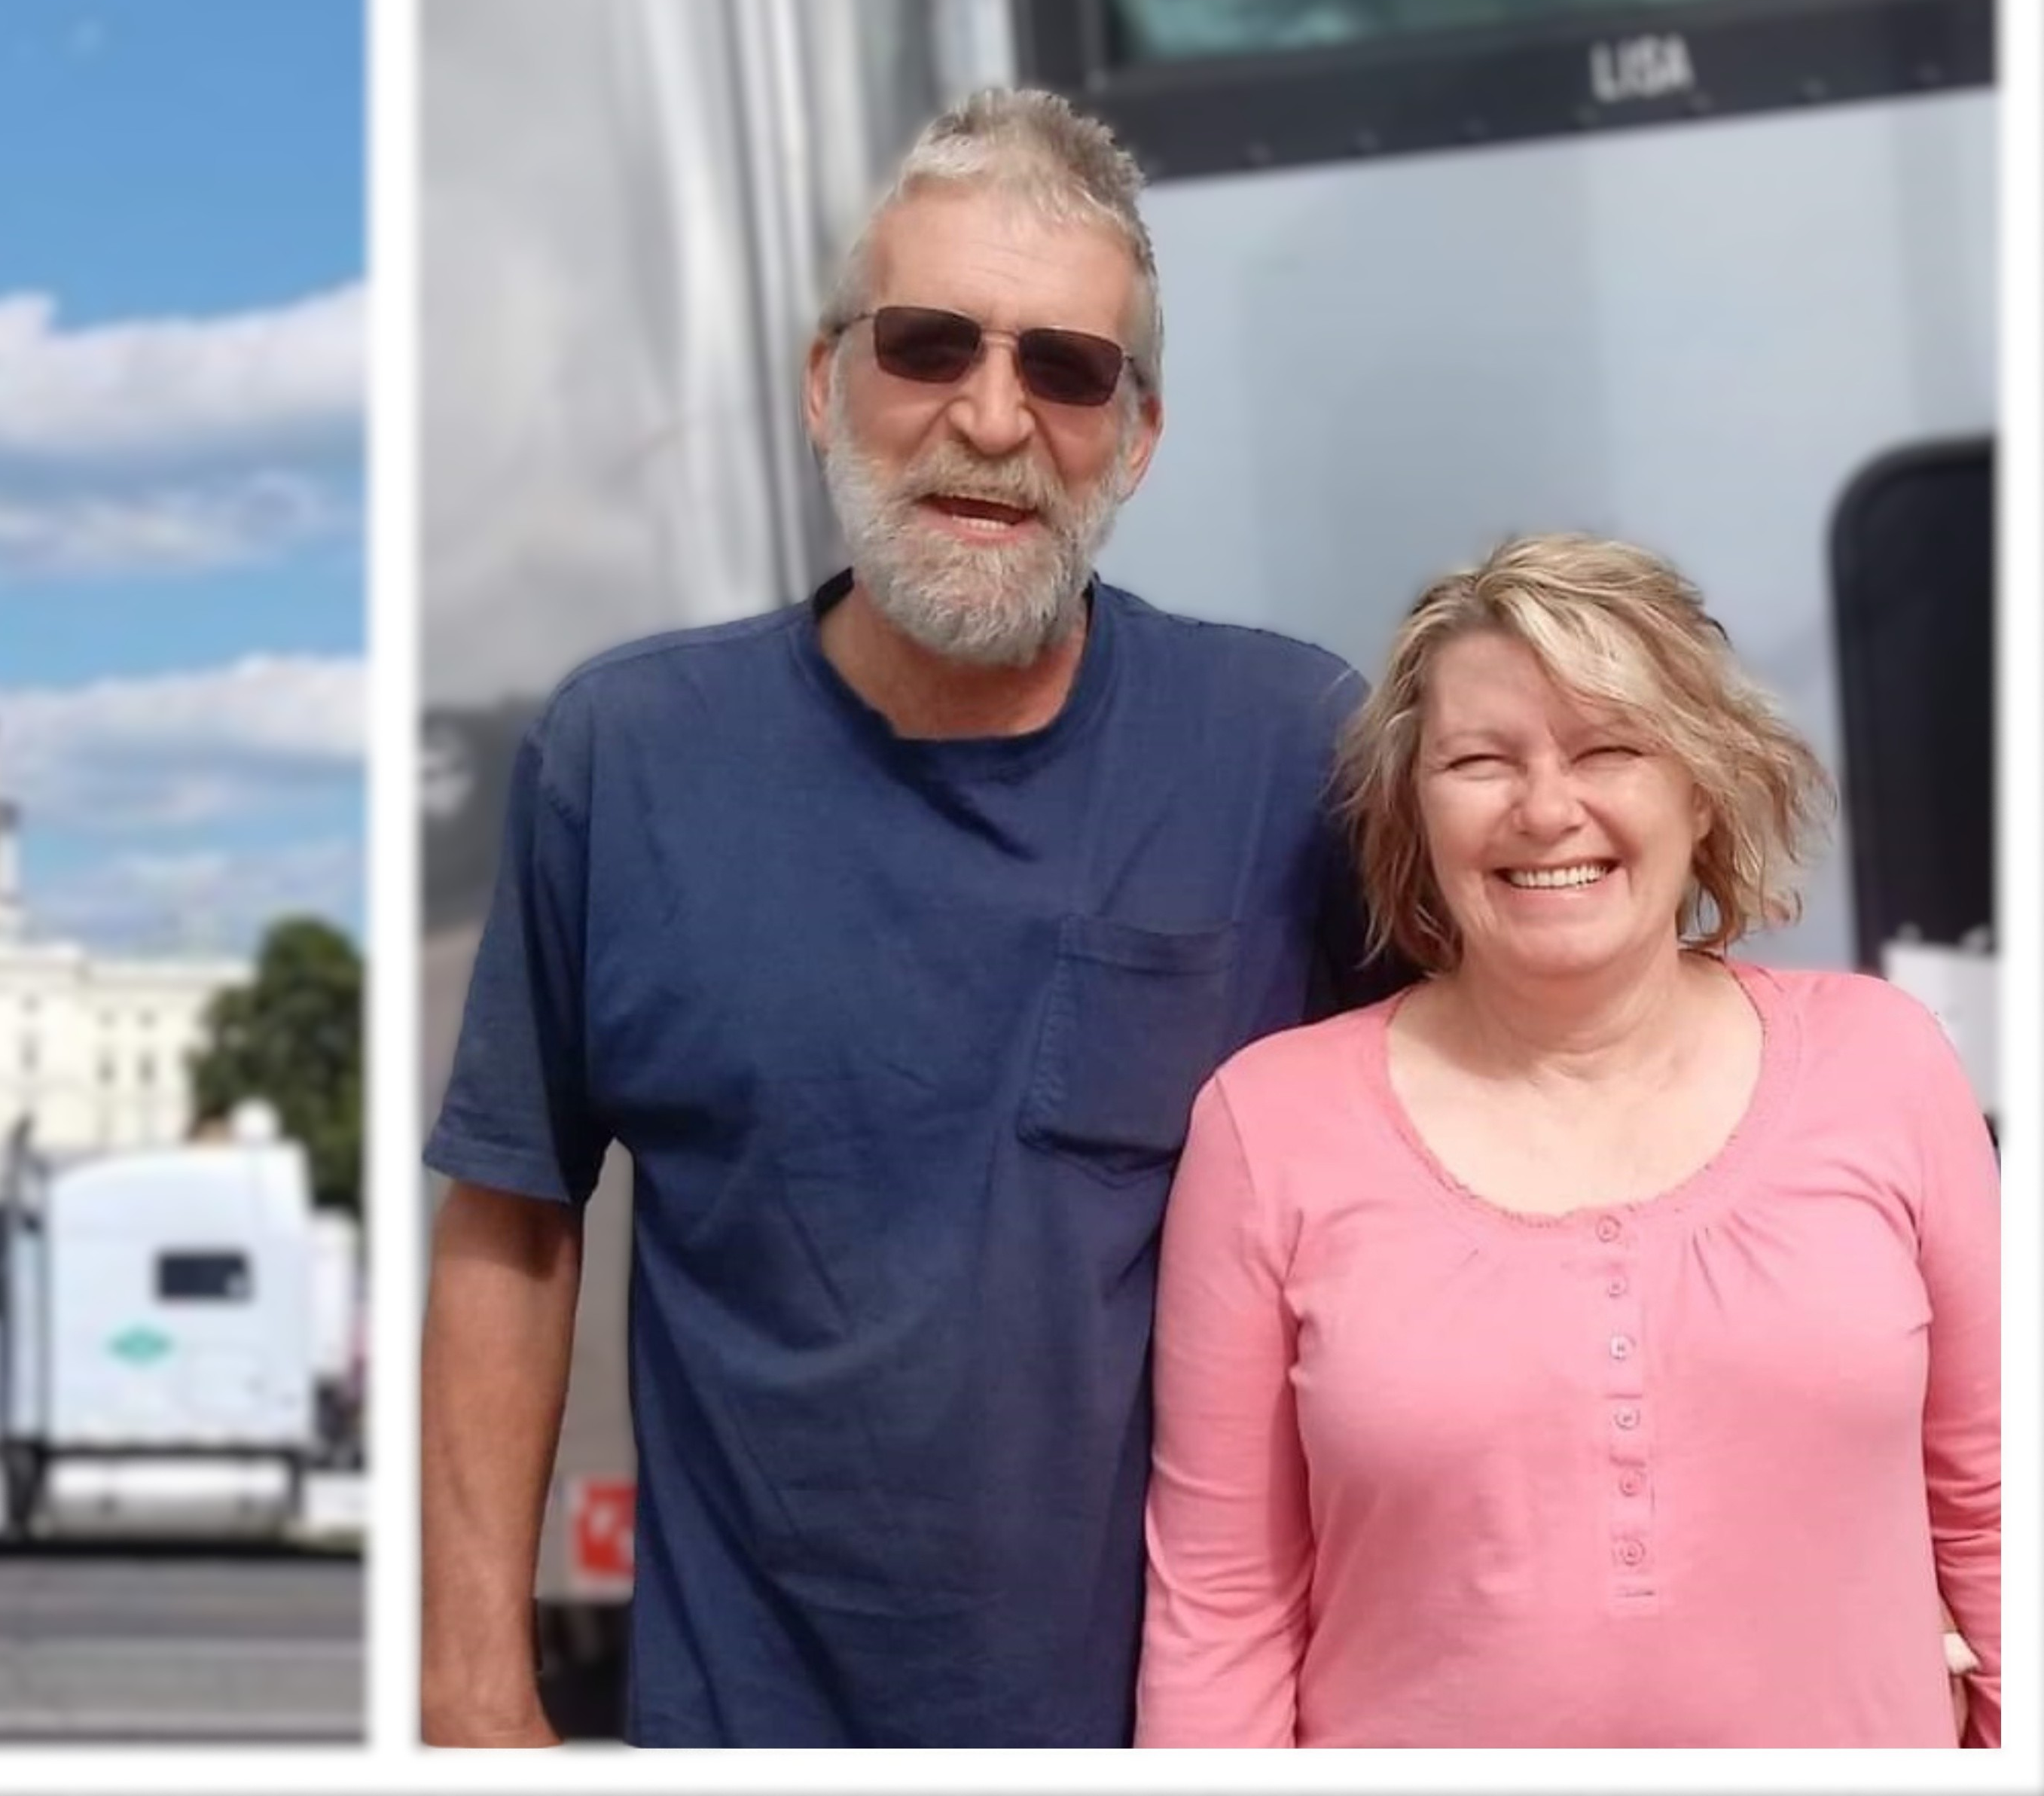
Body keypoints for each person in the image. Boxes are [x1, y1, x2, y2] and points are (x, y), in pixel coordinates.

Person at [419, 87, 1402, 1748]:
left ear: (1137, 437)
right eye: (928, 345)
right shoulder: (627, 756)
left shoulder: (1285, 750)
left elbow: (1470, 1186)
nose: (992, 419)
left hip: (1189, 1734)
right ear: (826, 383)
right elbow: (512, 1223)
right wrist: (466, 1704)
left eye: (1065, 369)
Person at [1136, 532, 2000, 1747]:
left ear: (1702, 784)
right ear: (1415, 809)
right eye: (1480, 761)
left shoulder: (1886, 1063)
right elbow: (1224, 1609)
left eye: (1609, 750)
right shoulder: (1268, 1127)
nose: (1547, 810)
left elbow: (1998, 1509)